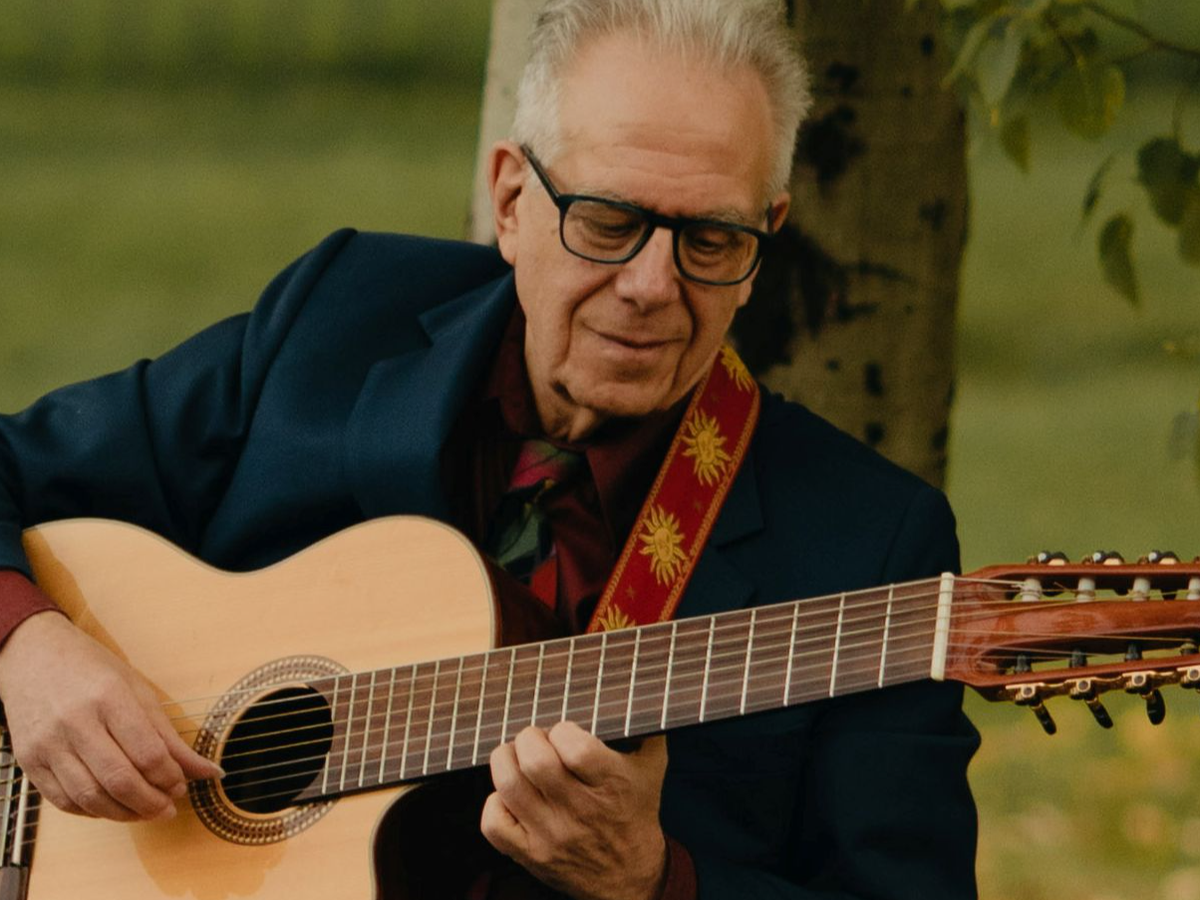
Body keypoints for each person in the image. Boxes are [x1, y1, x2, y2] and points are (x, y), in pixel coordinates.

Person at [0, 1, 979, 897]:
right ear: (511, 199)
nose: (651, 285)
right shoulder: (340, 321)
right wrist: (28, 644)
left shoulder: (869, 548)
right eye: (609, 222)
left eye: (711, 241)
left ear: (767, 236)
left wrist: (656, 881)